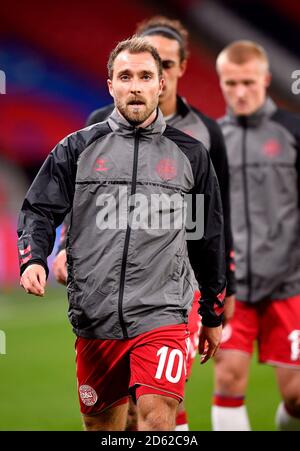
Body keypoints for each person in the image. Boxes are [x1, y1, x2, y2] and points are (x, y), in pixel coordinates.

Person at [18, 36, 226, 431]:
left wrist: (213, 312)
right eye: (125, 76)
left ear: (160, 85)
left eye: (145, 76)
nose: (135, 85)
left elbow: (207, 238)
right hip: (95, 320)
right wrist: (33, 259)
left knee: (158, 422)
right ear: (110, 84)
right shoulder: (75, 149)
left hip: (163, 314)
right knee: (104, 429)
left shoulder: (192, 155)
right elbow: (39, 210)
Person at [212, 40, 300, 431]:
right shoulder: (211, 141)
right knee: (228, 377)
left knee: (297, 399)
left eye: (248, 82)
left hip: (289, 284)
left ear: (265, 79)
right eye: (230, 84)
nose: (240, 92)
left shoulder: (292, 132)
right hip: (234, 288)